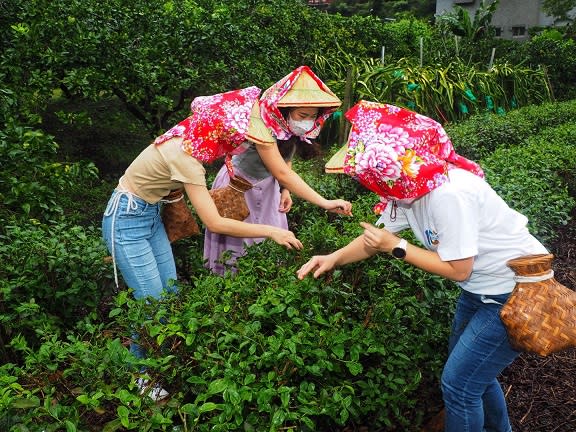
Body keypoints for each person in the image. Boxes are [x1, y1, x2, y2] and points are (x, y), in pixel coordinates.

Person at [297, 100, 549, 432]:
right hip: (481, 292)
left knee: (459, 386)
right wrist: (332, 258)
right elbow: (377, 237)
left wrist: (397, 248)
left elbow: (459, 269)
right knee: (473, 376)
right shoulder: (408, 189)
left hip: (513, 294)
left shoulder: (448, 195)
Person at [101, 66, 351, 401]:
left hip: (147, 215)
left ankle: (156, 365)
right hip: (126, 219)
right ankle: (140, 376)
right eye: (233, 134)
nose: (236, 140)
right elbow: (215, 223)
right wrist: (271, 232)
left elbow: (279, 168)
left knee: (168, 295)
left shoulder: (191, 139)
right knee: (150, 303)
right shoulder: (187, 157)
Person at [204, 66, 346, 275]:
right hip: (239, 186)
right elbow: (282, 172)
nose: (307, 120)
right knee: (238, 245)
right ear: (285, 111)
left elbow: (285, 160)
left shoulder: (291, 127)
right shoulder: (262, 126)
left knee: (269, 244)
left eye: (312, 116)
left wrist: (284, 190)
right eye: (303, 114)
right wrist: (324, 202)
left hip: (268, 188)